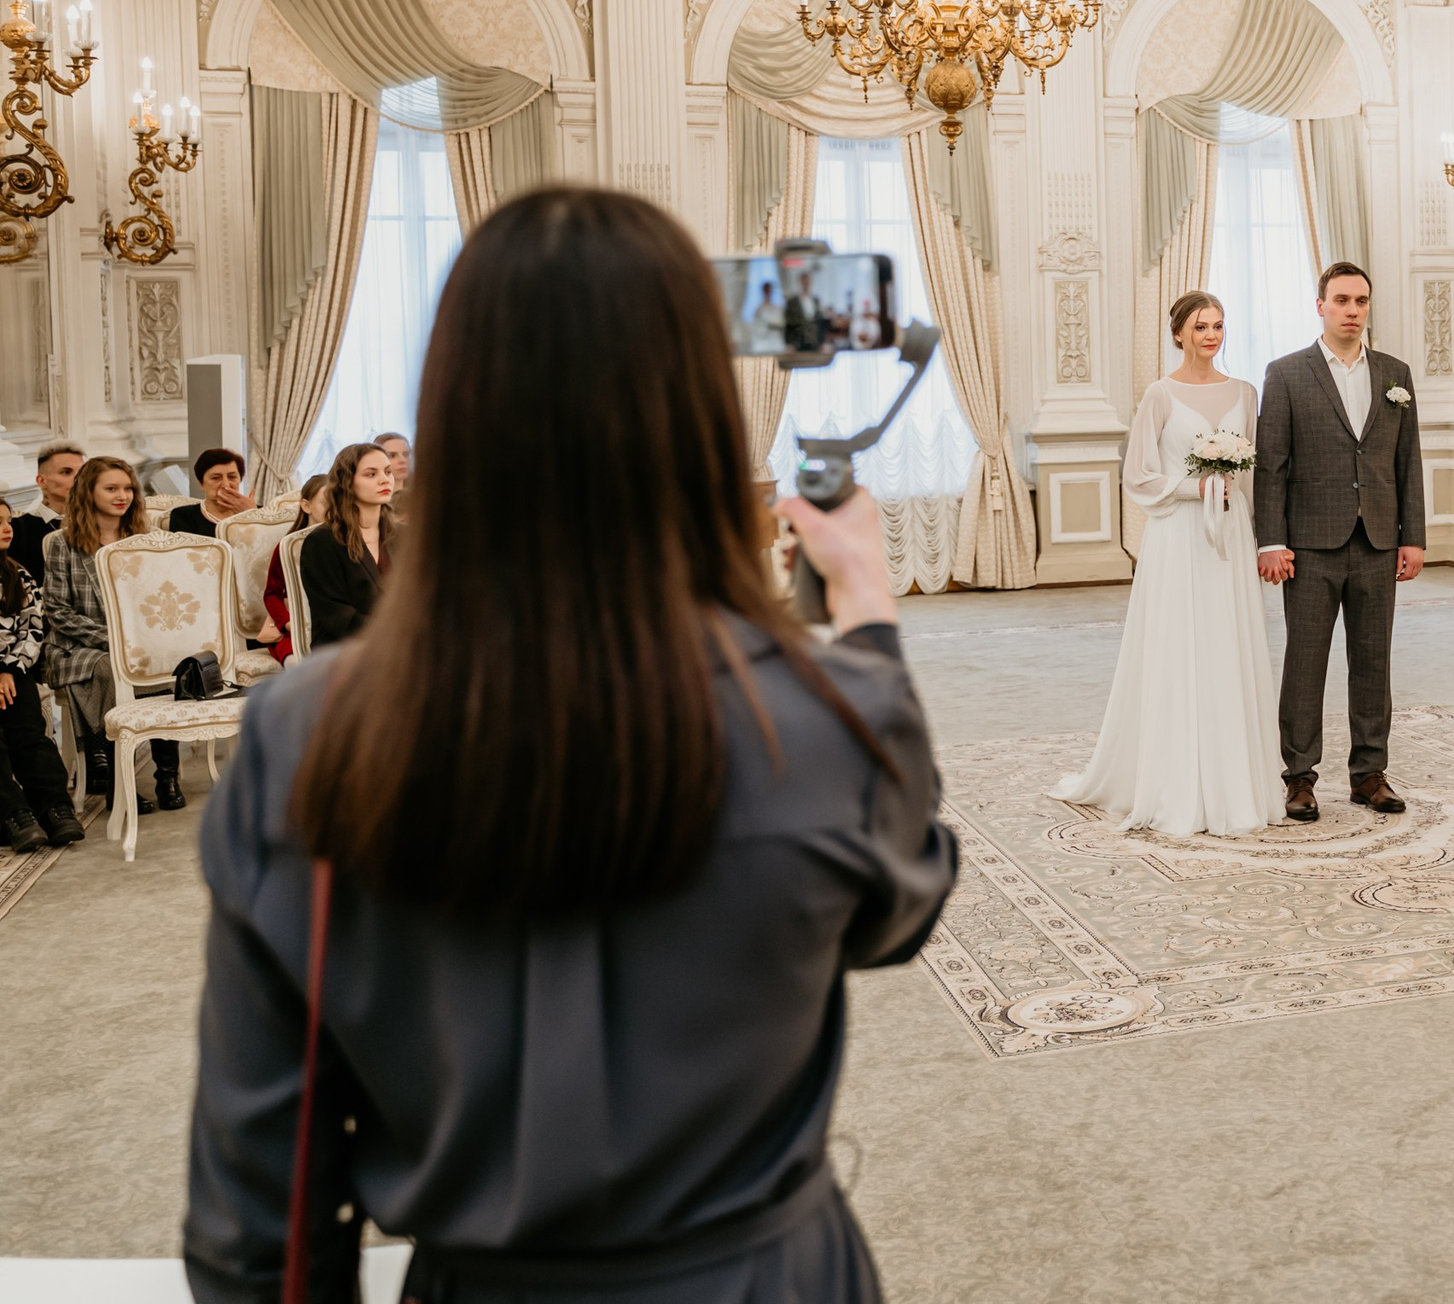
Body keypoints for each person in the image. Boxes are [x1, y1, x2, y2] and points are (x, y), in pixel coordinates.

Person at [184, 186, 954, 1304]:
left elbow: (264, 1204)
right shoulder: (822, 712)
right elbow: (902, 905)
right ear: (699, 414)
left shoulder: (305, 732)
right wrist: (869, 616)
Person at [1054, 291, 1283, 837]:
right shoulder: (1159, 394)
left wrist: (1262, 540)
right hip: (1178, 534)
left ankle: (1234, 780)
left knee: (1228, 642)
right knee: (1179, 644)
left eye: (1219, 325)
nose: (1211, 335)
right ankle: (1174, 780)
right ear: (1178, 333)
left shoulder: (1245, 392)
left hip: (1229, 531)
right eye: (1200, 326)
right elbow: (1137, 474)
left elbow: (1255, 475)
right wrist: (1192, 488)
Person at [1255, 262, 1427, 825]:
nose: (1352, 310)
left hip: (1378, 540)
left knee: (1373, 661)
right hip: (1310, 545)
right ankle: (1299, 777)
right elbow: (1272, 467)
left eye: (1361, 301)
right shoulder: (1286, 373)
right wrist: (1270, 540)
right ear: (1321, 306)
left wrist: (1413, 537)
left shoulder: (1395, 373)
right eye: (1342, 300)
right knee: (1305, 662)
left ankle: (1369, 774)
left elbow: (1408, 462)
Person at [43, 455, 186, 813]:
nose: (122, 496)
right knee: (111, 669)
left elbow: (160, 600)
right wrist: (116, 640)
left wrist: (147, 639)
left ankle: (167, 776)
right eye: (111, 488)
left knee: (167, 665)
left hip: (140, 641)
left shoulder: (145, 540)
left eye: (127, 488)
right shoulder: (63, 543)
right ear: (88, 492)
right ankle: (119, 783)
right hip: (79, 646)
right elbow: (58, 611)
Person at [0, 500, 79, 850]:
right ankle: (15, 814)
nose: (7, 528)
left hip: (14, 670)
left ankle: (54, 808)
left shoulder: (18, 575)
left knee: (30, 734)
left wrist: (10, 669)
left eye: (8, 521)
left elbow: (34, 629)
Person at [298, 443, 396, 650]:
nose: (385, 479)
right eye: (371, 474)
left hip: (401, 648)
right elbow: (339, 618)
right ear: (347, 483)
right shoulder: (322, 542)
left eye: (388, 472)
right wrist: (399, 634)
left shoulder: (405, 535)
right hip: (343, 652)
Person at [257, 475, 331, 662]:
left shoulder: (343, 544)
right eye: (326, 503)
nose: (333, 510)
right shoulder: (286, 548)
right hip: (292, 633)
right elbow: (271, 594)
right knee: (297, 664)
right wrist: (289, 624)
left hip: (331, 629)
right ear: (306, 506)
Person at [5, 440, 78, 585]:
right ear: (42, 481)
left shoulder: (94, 523)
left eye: (81, 473)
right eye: (66, 472)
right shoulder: (19, 528)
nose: (77, 479)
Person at [171, 447, 258, 537]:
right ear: (201, 484)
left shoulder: (258, 512)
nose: (226, 485)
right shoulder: (183, 516)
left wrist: (252, 515)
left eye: (232, 477)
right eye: (216, 478)